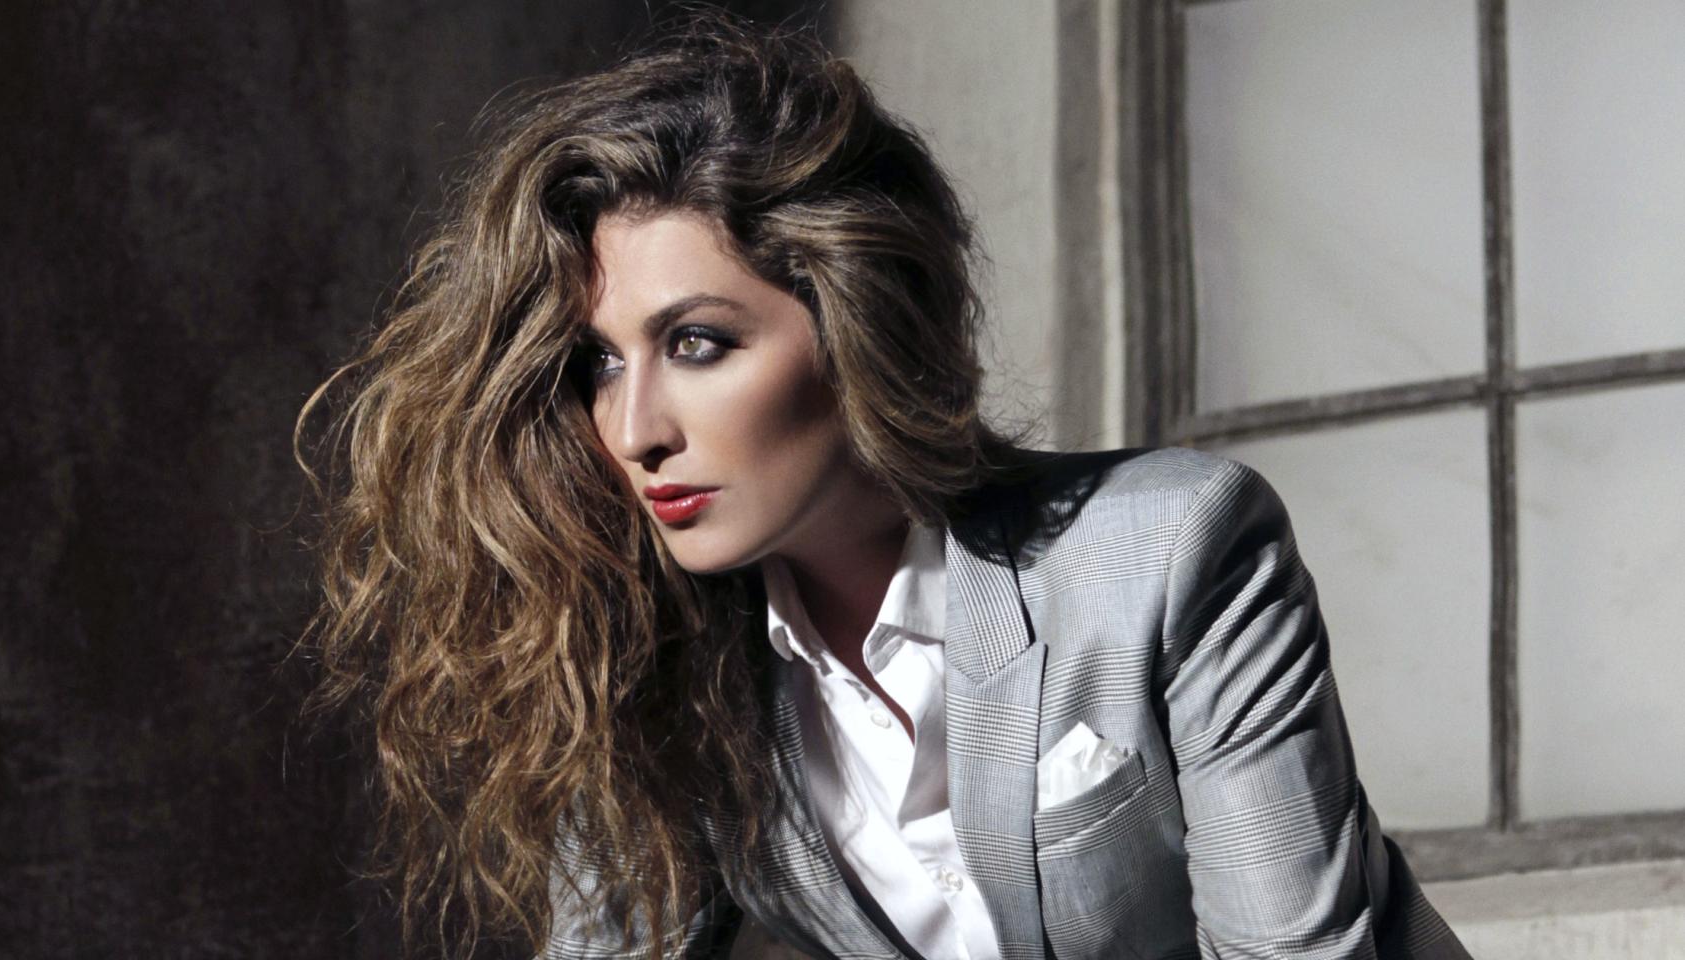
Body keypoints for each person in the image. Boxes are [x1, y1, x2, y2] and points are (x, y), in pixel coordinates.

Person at [299, 13, 1472, 960]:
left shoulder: (1168, 549)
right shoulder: (657, 659)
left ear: (856, 322)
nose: (634, 430)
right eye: (599, 363)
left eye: (698, 344)